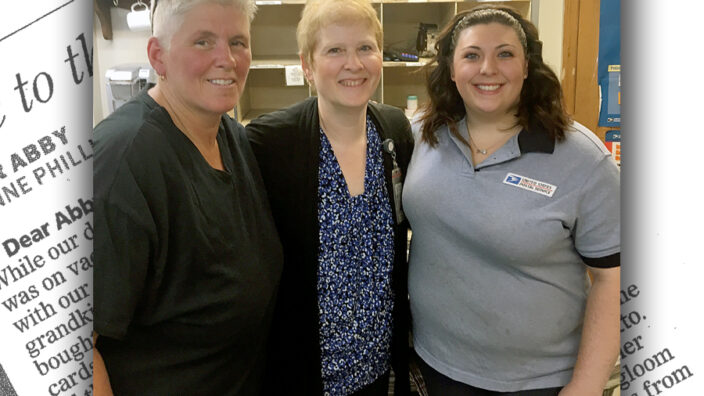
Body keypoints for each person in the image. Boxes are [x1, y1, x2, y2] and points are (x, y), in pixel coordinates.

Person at [402, 5, 620, 396]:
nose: (488, 68)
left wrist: (586, 385)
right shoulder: (421, 133)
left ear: (526, 68)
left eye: (505, 54)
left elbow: (614, 278)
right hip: (435, 365)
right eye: (471, 55)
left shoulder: (582, 159)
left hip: (539, 383)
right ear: (451, 70)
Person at [92, 0, 283, 394]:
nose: (226, 59)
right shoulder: (121, 162)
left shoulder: (228, 133)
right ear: (158, 56)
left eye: (237, 42)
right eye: (202, 42)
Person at [245, 0, 413, 394]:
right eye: (334, 50)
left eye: (365, 48)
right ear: (307, 65)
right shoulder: (270, 143)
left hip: (379, 368)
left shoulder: (393, 129)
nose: (353, 63)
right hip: (303, 372)